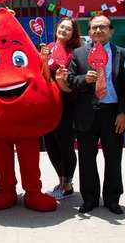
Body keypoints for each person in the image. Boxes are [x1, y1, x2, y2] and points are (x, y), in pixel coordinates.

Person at [67, 14, 125, 215]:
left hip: (113, 113)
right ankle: (90, 198)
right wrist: (84, 79)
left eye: (103, 27)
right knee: (86, 159)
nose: (98, 31)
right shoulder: (79, 54)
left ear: (111, 31)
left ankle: (112, 199)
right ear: (89, 32)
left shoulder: (122, 53)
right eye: (94, 28)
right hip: (87, 114)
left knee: (113, 158)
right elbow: (70, 81)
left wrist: (123, 112)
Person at [42, 17, 81, 200]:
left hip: (67, 104)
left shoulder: (74, 53)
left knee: (65, 144)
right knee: (50, 144)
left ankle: (68, 185)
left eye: (68, 29)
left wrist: (61, 79)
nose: (64, 30)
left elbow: (72, 84)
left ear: (73, 34)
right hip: (48, 104)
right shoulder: (49, 48)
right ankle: (61, 181)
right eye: (62, 27)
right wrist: (43, 58)